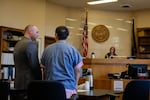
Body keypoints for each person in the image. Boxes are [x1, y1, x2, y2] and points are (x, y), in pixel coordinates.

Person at [41, 26, 83, 99]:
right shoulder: (72, 50)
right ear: (67, 36)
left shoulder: (47, 50)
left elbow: (43, 68)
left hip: (50, 88)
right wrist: (75, 84)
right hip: (68, 89)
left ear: (56, 35)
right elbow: (78, 69)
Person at [14, 25, 42, 90]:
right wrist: (40, 79)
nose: (38, 35)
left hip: (19, 81)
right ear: (30, 32)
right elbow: (34, 65)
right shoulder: (30, 44)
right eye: (37, 32)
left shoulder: (18, 43)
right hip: (28, 82)